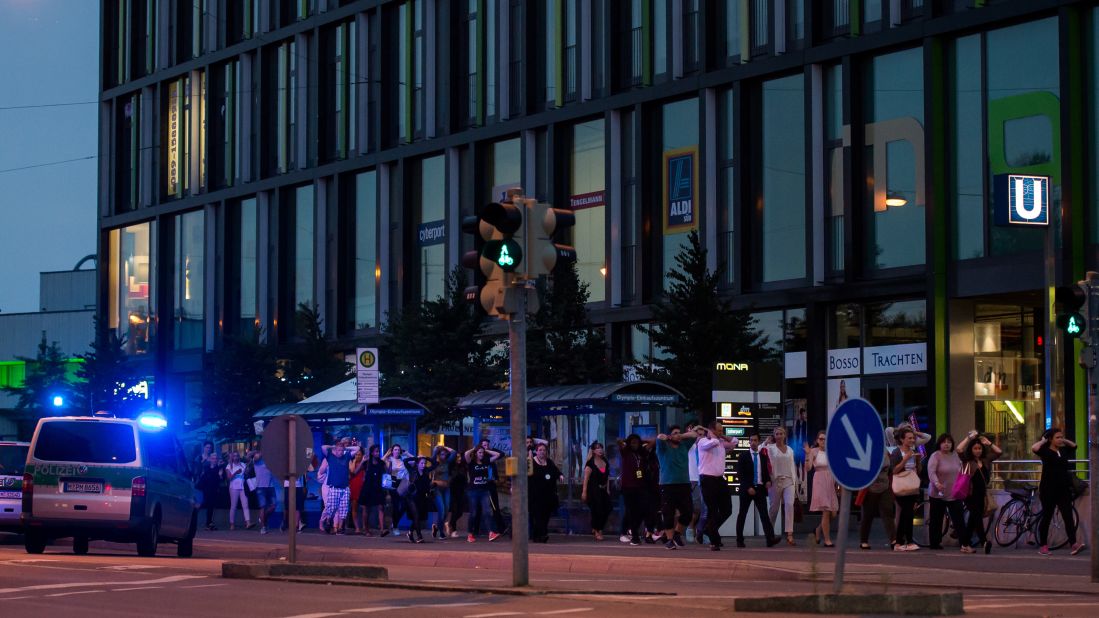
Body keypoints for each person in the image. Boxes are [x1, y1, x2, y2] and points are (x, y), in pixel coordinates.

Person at [1032, 428, 1085, 556]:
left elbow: (1074, 446)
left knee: (1068, 516)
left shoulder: (1063, 450)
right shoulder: (1045, 451)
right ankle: (1043, 546)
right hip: (1048, 489)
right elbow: (1034, 448)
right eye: (1057, 437)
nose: (1060, 439)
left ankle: (1074, 544)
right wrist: (1044, 440)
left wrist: (1063, 439)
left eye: (1061, 437)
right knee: (1047, 517)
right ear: (1050, 439)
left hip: (1063, 489)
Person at [956, 430, 1001, 554]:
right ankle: (984, 541)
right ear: (971, 449)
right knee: (977, 517)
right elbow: (959, 449)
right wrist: (968, 438)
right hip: (970, 494)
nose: (977, 450)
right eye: (975, 448)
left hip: (982, 494)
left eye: (979, 448)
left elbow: (999, 452)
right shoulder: (967, 461)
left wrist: (988, 443)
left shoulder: (985, 460)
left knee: (973, 519)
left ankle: (965, 544)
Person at [652, 425, 697, 550]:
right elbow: (659, 437)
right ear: (670, 435)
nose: (678, 434)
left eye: (679, 432)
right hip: (667, 485)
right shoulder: (663, 448)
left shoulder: (683, 445)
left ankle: (677, 534)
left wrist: (680, 436)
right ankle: (669, 540)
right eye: (675, 433)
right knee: (668, 513)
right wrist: (668, 437)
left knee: (688, 513)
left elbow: (694, 435)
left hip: (684, 484)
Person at [697, 421, 738, 550]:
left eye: (722, 430)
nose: (721, 433)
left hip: (720, 479)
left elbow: (735, 442)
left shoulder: (720, 442)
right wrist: (711, 435)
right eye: (719, 430)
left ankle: (709, 529)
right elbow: (712, 443)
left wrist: (722, 437)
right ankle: (714, 541)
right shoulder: (703, 441)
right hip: (707, 479)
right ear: (712, 430)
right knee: (712, 510)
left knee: (727, 510)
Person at [735, 432, 780, 548]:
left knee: (764, 514)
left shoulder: (763, 457)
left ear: (759, 442)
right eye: (751, 440)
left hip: (759, 489)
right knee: (742, 514)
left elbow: (764, 472)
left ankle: (770, 539)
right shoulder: (743, 456)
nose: (753, 442)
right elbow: (740, 474)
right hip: (747, 489)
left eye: (755, 440)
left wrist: (767, 481)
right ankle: (739, 540)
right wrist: (748, 487)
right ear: (749, 442)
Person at [926, 433, 964, 550]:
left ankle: (964, 542)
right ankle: (935, 543)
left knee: (959, 519)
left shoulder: (956, 456)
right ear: (939, 444)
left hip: (954, 493)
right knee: (936, 520)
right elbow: (931, 472)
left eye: (949, 442)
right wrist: (937, 483)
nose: (946, 444)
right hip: (938, 493)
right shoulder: (935, 456)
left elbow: (961, 471)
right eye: (944, 442)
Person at [617, 434, 655, 545]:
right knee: (632, 511)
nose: (635, 445)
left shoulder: (641, 452)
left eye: (637, 443)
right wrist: (628, 441)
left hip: (640, 486)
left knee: (643, 510)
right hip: (628, 487)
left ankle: (633, 532)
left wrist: (641, 440)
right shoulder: (626, 452)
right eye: (632, 443)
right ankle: (634, 536)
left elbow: (653, 441)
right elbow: (618, 441)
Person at [890, 427, 923, 551]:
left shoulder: (914, 451)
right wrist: (905, 459)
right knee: (907, 512)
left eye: (913, 438)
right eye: (909, 438)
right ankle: (906, 541)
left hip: (912, 485)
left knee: (907, 513)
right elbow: (894, 470)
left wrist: (918, 461)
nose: (912, 440)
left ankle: (901, 542)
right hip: (901, 485)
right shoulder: (896, 452)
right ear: (902, 439)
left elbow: (918, 470)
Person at [764, 427, 797, 545]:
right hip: (775, 480)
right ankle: (769, 532)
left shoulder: (790, 450)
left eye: (781, 433)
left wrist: (795, 482)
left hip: (789, 480)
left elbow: (793, 466)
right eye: (777, 434)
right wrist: (765, 442)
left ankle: (789, 534)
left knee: (789, 504)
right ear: (774, 436)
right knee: (774, 509)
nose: (779, 436)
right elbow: (758, 450)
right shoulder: (770, 448)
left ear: (785, 435)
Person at [804, 431, 838, 547]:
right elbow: (808, 469)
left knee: (833, 513)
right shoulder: (813, 451)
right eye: (821, 439)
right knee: (826, 511)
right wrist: (807, 455)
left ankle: (818, 530)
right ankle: (827, 540)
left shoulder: (831, 452)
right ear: (817, 440)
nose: (823, 441)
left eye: (825, 439)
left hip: (830, 481)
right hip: (820, 481)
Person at [858, 450, 896, 550]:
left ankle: (893, 539)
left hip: (885, 486)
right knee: (868, 514)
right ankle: (864, 541)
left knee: (888, 511)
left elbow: (890, 469)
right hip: (870, 487)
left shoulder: (886, 452)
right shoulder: (867, 450)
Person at [464, 445, 502, 542]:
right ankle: (470, 534)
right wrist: (474, 448)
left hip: (484, 491)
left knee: (487, 512)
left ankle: (491, 533)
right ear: (476, 454)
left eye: (482, 453)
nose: (481, 454)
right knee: (473, 513)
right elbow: (466, 454)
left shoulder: (486, 461)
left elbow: (498, 455)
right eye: (479, 453)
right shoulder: (471, 463)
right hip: (473, 491)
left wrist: (486, 450)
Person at [529, 443, 564, 543]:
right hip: (536, 495)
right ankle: (541, 535)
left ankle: (540, 534)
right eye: (540, 450)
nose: (542, 452)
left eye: (544, 450)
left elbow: (556, 471)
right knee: (538, 516)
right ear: (536, 451)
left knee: (546, 516)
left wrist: (560, 475)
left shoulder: (549, 462)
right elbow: (526, 475)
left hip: (548, 495)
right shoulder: (531, 461)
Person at [353, 445, 389, 537]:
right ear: (372, 452)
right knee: (366, 509)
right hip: (368, 488)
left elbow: (388, 473)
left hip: (378, 488)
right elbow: (355, 472)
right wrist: (362, 462)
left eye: (378, 451)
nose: (377, 453)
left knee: (381, 507)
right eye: (376, 451)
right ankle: (366, 529)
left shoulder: (381, 463)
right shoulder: (367, 463)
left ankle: (382, 530)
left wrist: (388, 463)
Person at [318, 443, 354, 534]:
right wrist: (333, 447)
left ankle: (339, 528)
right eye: (339, 450)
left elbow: (357, 448)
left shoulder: (346, 457)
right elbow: (323, 447)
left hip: (344, 486)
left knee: (343, 508)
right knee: (330, 507)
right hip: (332, 486)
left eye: (342, 450)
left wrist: (345, 447)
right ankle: (327, 522)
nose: (340, 452)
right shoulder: (330, 457)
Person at [581, 441, 611, 541]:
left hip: (603, 489)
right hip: (593, 490)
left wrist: (608, 489)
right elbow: (586, 479)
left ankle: (596, 527)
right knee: (597, 510)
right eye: (597, 448)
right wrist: (584, 492)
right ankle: (598, 530)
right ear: (593, 451)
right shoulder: (590, 463)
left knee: (608, 508)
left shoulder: (605, 461)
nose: (600, 450)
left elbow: (607, 477)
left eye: (601, 447)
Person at [403, 456, 437, 543]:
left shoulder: (426, 471)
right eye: (421, 463)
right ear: (417, 464)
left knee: (418, 518)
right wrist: (416, 458)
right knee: (416, 516)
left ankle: (410, 533)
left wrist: (425, 457)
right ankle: (419, 536)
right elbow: (405, 461)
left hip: (422, 497)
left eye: (425, 463)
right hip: (412, 497)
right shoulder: (412, 471)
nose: (423, 465)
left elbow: (435, 463)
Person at [479, 439, 508, 534]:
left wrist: (487, 450)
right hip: (481, 484)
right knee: (479, 507)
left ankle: (501, 528)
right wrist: (483, 451)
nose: (485, 446)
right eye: (483, 445)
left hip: (491, 484)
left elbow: (501, 454)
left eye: (487, 445)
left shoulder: (491, 455)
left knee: (495, 506)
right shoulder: (480, 456)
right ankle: (476, 529)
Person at [247, 450, 277, 534]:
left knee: (273, 506)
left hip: (271, 486)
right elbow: (248, 456)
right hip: (260, 487)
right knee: (262, 507)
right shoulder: (257, 459)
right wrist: (257, 452)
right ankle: (263, 527)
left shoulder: (271, 460)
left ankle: (263, 517)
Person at [430, 445, 457, 539]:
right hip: (437, 488)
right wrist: (437, 447)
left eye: (445, 454)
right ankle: (441, 532)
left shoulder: (447, 462)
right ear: (437, 455)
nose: (443, 456)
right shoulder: (434, 462)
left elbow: (454, 452)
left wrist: (445, 447)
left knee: (446, 510)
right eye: (441, 454)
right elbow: (433, 453)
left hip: (446, 488)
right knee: (441, 510)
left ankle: (436, 526)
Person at [686, 423, 706, 544]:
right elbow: (687, 437)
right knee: (694, 508)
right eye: (698, 435)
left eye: (702, 435)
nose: (700, 437)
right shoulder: (690, 445)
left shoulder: (706, 446)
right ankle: (689, 528)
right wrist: (693, 431)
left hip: (704, 478)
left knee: (704, 508)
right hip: (691, 479)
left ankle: (700, 532)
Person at [383, 444, 409, 533]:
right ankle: (395, 527)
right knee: (396, 505)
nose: (397, 451)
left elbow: (415, 460)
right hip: (393, 482)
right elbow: (381, 461)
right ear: (392, 451)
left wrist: (407, 453)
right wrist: (387, 453)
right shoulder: (390, 459)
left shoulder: (403, 459)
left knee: (404, 505)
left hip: (403, 483)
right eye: (395, 449)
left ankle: (395, 523)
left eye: (398, 450)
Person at [223, 451, 252, 530]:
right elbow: (229, 478)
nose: (236, 457)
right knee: (233, 506)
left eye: (237, 456)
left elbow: (247, 473)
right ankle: (232, 524)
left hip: (242, 487)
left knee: (245, 505)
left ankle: (248, 522)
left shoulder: (243, 464)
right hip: (233, 487)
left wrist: (247, 470)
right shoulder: (229, 466)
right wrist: (236, 472)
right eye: (234, 456)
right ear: (232, 457)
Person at [196, 451, 222, 531]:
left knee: (210, 507)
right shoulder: (206, 468)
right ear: (210, 459)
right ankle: (197, 521)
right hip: (204, 490)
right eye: (213, 458)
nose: (214, 460)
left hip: (213, 491)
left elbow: (219, 479)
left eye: (216, 458)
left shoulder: (218, 468)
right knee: (199, 506)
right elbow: (203, 477)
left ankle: (209, 523)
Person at [448, 448, 469, 538]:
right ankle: (453, 530)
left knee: (460, 512)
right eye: (457, 457)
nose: (459, 459)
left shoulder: (464, 466)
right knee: (455, 510)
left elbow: (466, 479)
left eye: (460, 457)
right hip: (452, 490)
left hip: (462, 491)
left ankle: (448, 524)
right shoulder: (451, 466)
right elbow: (452, 479)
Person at [348, 449, 366, 534]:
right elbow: (352, 471)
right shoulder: (352, 462)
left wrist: (363, 461)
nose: (357, 456)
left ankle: (364, 527)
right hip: (354, 487)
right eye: (356, 455)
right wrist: (355, 461)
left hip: (363, 487)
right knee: (354, 508)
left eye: (359, 454)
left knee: (363, 509)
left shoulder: (365, 463)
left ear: (362, 455)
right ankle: (357, 528)